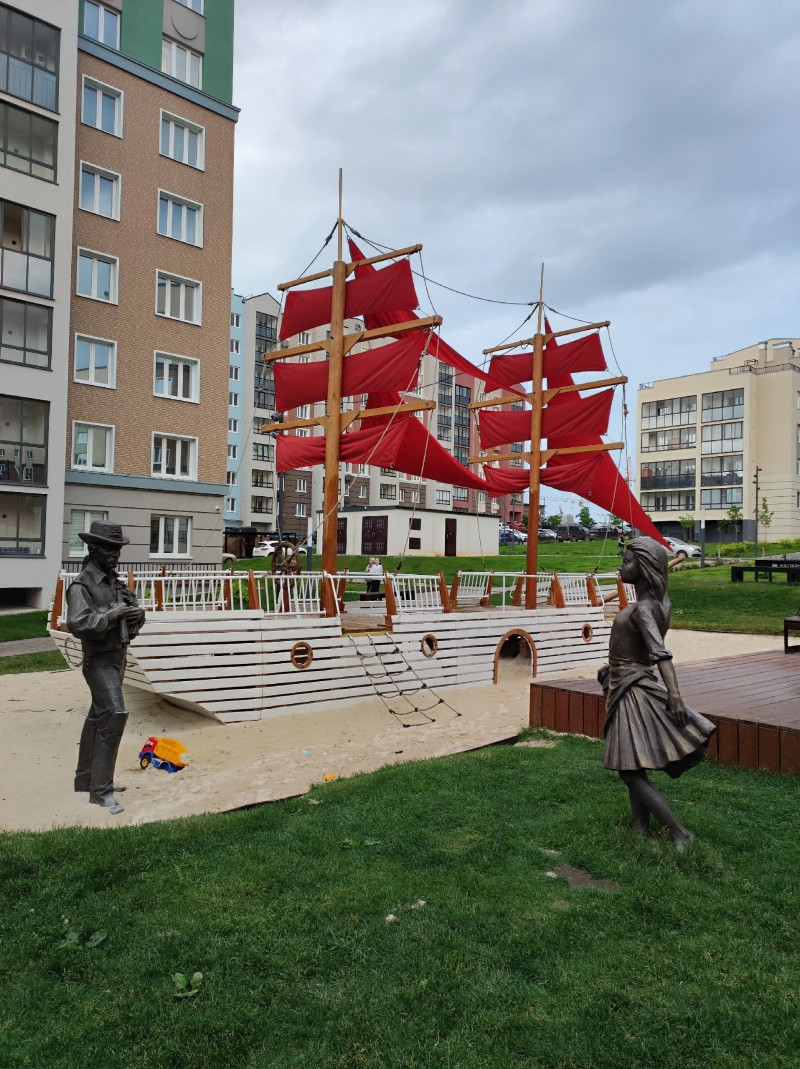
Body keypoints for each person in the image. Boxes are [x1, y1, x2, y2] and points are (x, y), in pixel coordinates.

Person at [598, 536, 715, 850]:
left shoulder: (643, 610)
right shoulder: (661, 603)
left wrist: (674, 694)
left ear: (645, 567)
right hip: (627, 680)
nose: (620, 566)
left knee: (628, 770)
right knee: (633, 763)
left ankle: (680, 833)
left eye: (627, 561)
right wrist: (612, 668)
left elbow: (660, 653)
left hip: (632, 689)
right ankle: (641, 829)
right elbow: (639, 651)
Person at [67, 521, 146, 815]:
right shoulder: (83, 585)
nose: (115, 555)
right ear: (94, 549)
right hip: (99, 661)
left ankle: (86, 780)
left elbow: (127, 614)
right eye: (110, 550)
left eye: (118, 550)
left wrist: (136, 614)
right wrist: (112, 616)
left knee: (97, 717)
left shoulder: (113, 581)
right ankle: (101, 792)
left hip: (117, 657)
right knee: (113, 716)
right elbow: (78, 623)